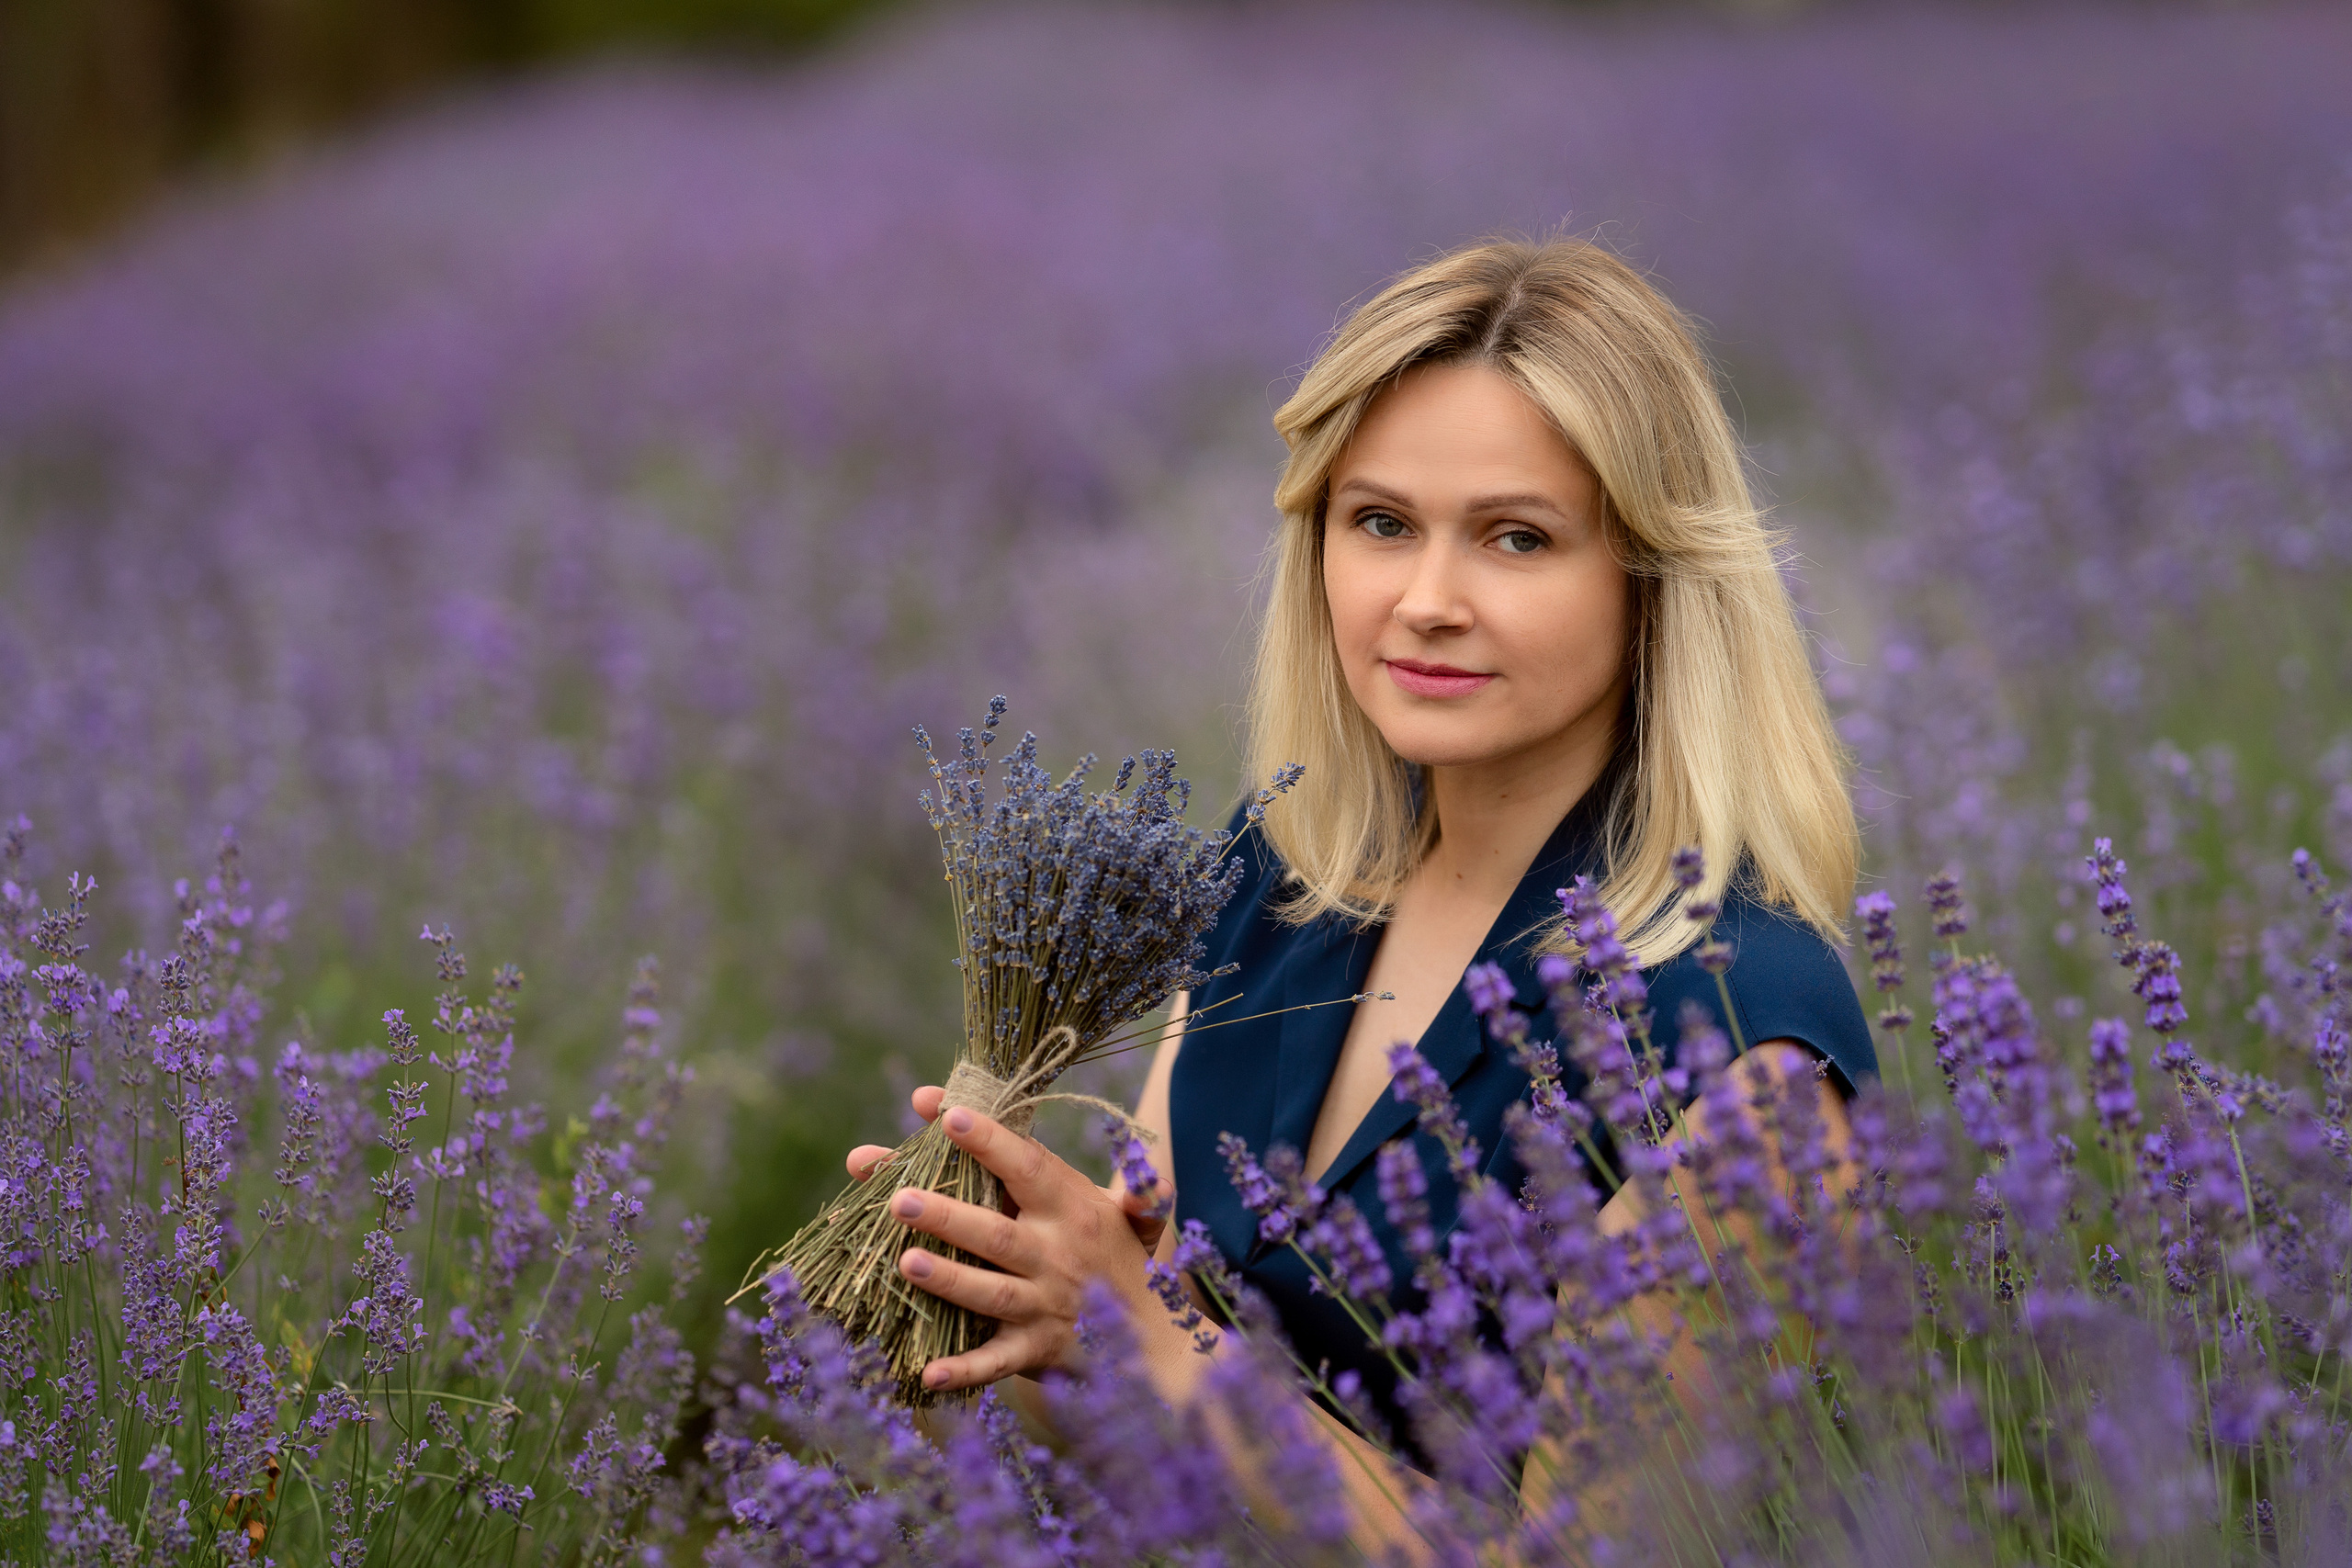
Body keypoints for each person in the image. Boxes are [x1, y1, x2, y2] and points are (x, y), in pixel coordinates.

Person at [841, 236, 1875, 1544]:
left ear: (1656, 582)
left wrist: (1142, 1339)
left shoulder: (1745, 1061)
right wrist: (997, 1290)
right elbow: (1153, 1429)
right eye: (1381, 523)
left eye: (1517, 537)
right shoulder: (1278, 886)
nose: (1426, 601)